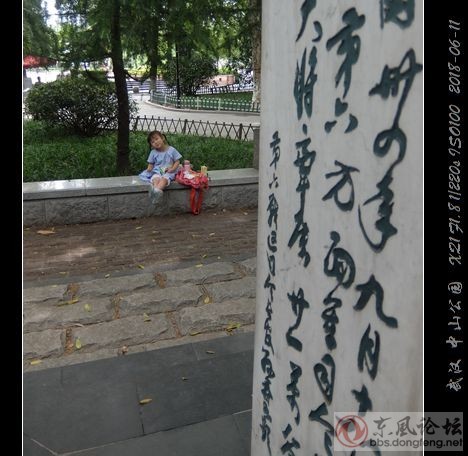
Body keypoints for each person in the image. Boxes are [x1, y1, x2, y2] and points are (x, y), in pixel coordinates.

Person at [141, 130, 182, 204]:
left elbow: (177, 161)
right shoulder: (153, 152)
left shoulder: (171, 150)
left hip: (168, 171)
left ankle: (155, 190)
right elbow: (151, 163)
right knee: (155, 178)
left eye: (157, 139)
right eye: (153, 142)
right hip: (158, 171)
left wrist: (172, 169)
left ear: (162, 138)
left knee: (163, 180)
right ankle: (156, 192)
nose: (155, 142)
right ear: (151, 145)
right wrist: (149, 168)